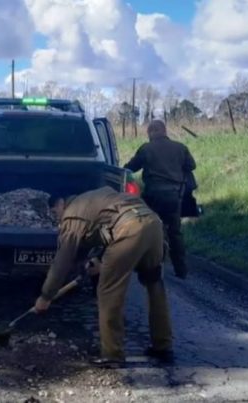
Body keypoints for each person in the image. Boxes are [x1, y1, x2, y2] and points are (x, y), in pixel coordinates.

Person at [34, 186, 174, 367]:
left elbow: (62, 261)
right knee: (154, 285)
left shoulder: (72, 214)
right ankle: (163, 346)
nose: (57, 218)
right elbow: (108, 226)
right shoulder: (95, 198)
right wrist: (98, 260)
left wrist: (46, 295)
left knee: (108, 291)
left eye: (55, 213)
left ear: (61, 203)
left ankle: (112, 354)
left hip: (129, 229)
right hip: (153, 224)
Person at [124, 120, 196, 279]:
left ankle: (150, 266)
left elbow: (131, 167)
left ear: (150, 132)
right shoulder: (180, 148)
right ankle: (181, 269)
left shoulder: (146, 149)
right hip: (174, 196)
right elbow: (191, 166)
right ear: (165, 131)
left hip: (153, 197)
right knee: (175, 232)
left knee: (149, 229)